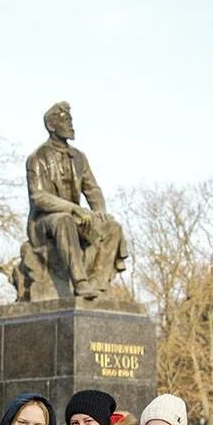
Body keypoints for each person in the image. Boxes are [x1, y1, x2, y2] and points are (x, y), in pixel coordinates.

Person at [23, 101, 127, 300]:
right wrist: (73, 209)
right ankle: (80, 282)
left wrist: (99, 212)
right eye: (65, 121)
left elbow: (92, 189)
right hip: (44, 223)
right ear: (51, 126)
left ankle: (97, 283)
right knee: (64, 220)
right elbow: (38, 197)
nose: (71, 125)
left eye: (71, 121)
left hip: (77, 218)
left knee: (112, 227)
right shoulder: (37, 157)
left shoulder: (79, 157)